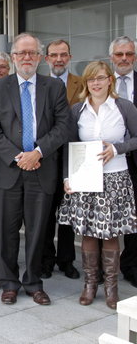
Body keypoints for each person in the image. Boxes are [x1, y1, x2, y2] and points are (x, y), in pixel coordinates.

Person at [0, 33, 69, 306]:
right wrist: (18, 156)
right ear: (13, 57)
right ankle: (9, 283)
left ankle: (33, 282)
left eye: (32, 53)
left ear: (40, 57)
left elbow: (62, 126)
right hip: (9, 170)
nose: (27, 58)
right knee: (7, 230)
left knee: (38, 230)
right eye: (22, 53)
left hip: (41, 168)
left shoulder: (53, 87)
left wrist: (38, 152)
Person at [58, 60, 137, 310]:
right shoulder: (77, 110)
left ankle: (111, 287)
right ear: (86, 83)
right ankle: (91, 284)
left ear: (109, 80)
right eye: (91, 79)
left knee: (111, 233)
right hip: (85, 179)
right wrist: (67, 178)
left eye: (100, 78)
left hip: (116, 177)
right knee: (89, 232)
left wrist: (117, 148)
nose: (96, 83)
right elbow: (68, 148)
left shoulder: (124, 107)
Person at [40, 39, 84, 280]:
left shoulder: (82, 83)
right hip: (46, 157)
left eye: (63, 55)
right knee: (46, 212)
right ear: (46, 58)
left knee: (68, 211)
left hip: (72, 156)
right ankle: (46, 259)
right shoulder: (39, 84)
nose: (59, 59)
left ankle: (66, 260)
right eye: (54, 55)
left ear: (70, 57)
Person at [109, 36, 137, 289]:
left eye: (129, 54)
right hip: (110, 163)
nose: (124, 58)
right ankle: (109, 269)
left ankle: (132, 265)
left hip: (135, 157)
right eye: (119, 54)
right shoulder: (104, 85)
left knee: (135, 214)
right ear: (112, 57)